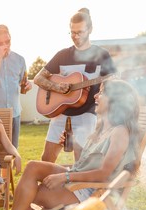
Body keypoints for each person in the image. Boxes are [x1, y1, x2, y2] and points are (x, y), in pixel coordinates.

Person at [0, 79, 140, 210]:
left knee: (25, 197)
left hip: (93, 194)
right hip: (80, 181)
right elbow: (83, 164)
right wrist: (75, 146)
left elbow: (104, 174)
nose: (96, 95)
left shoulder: (120, 132)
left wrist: (65, 177)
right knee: (33, 168)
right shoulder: (102, 128)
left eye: (101, 92)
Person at [34, 8, 116, 162]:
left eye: (80, 32)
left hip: (88, 114)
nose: (76, 36)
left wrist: (105, 91)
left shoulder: (101, 55)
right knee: (46, 159)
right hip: (60, 113)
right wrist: (57, 87)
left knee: (81, 160)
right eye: (72, 32)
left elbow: (112, 84)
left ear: (90, 30)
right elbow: (38, 78)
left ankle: (78, 186)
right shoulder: (62, 55)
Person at [0, 24, 32, 149]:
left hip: (14, 112)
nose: (5, 45)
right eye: (1, 43)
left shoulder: (20, 59)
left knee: (13, 151)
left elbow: (22, 84)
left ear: (11, 37)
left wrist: (27, 85)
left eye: (8, 41)